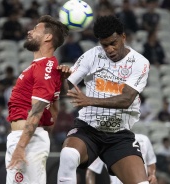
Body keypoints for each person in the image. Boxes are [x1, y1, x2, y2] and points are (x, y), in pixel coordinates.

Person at [57, 15, 150, 184]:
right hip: (88, 130)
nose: (109, 49)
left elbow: (126, 100)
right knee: (68, 155)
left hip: (118, 135)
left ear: (123, 37)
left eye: (113, 43)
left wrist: (89, 100)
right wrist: (62, 80)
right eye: (104, 45)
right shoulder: (91, 56)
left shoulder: (139, 63)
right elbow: (65, 91)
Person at [5, 15, 69, 184]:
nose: (29, 31)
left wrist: (21, 146)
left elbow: (38, 110)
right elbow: (53, 114)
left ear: (48, 37)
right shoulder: (42, 67)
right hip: (25, 139)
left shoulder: (45, 67)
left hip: (27, 141)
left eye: (35, 29)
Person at [86, 134, 157, 184]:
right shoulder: (105, 143)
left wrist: (152, 175)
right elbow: (91, 171)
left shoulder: (144, 139)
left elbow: (151, 161)